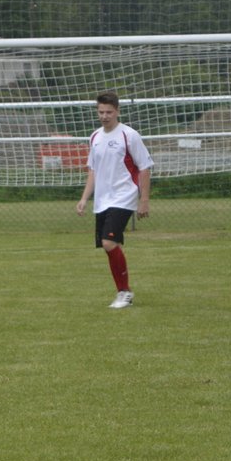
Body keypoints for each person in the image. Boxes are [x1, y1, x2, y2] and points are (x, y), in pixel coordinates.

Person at [76, 90, 152, 309]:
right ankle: (122, 290)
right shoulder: (95, 137)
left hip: (124, 196)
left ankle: (124, 293)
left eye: (109, 112)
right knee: (109, 245)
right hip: (103, 200)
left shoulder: (129, 135)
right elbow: (93, 170)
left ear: (117, 111)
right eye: (101, 112)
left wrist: (144, 199)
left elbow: (145, 167)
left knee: (109, 243)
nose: (104, 116)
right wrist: (84, 198)